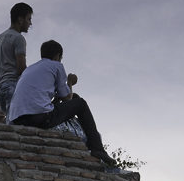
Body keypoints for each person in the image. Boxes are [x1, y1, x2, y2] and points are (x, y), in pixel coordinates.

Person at [9, 40, 118, 168]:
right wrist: (70, 82)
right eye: (61, 58)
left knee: (75, 99)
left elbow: (47, 100)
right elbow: (67, 97)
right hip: (38, 118)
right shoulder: (56, 66)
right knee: (80, 103)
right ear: (57, 56)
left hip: (16, 119)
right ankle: (97, 148)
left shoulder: (29, 70)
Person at [0, 2, 32, 115]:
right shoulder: (18, 38)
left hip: (1, 90)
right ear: (20, 19)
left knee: (10, 122)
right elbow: (21, 69)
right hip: (13, 86)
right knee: (18, 123)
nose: (30, 23)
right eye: (28, 19)